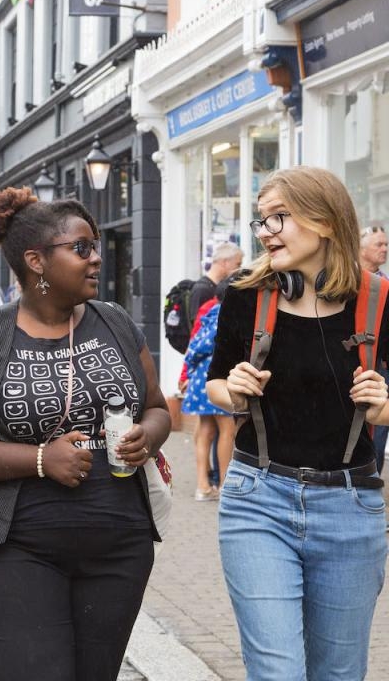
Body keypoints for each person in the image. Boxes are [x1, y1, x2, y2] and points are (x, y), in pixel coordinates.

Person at [0, 188, 171, 679]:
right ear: (36, 261)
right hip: (16, 549)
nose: (96, 258)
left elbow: (157, 407)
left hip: (118, 547)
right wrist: (40, 459)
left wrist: (148, 435)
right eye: (81, 248)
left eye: (95, 246)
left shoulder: (116, 322)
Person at [206, 166, 389, 680]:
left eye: (278, 218)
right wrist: (233, 390)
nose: (265, 233)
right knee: (278, 671)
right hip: (256, 501)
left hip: (351, 507)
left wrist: (384, 403)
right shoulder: (246, 294)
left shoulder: (379, 301)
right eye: (260, 222)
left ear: (325, 220)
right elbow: (214, 383)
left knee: (340, 673)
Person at [182, 276, 236, 500]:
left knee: (205, 431)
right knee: (227, 430)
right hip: (216, 379)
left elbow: (193, 348)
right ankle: (224, 485)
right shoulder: (226, 315)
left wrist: (189, 372)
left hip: (199, 383)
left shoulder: (210, 314)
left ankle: (203, 486)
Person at [360, 224, 389, 475]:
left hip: (384, 367)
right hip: (365, 368)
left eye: (386, 244)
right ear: (362, 248)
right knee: (369, 432)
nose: (385, 249)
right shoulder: (350, 281)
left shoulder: (387, 284)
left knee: (380, 435)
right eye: (379, 244)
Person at [188, 242, 243, 324]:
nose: (239, 269)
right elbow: (198, 327)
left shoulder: (219, 287)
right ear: (225, 262)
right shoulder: (202, 290)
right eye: (238, 264)